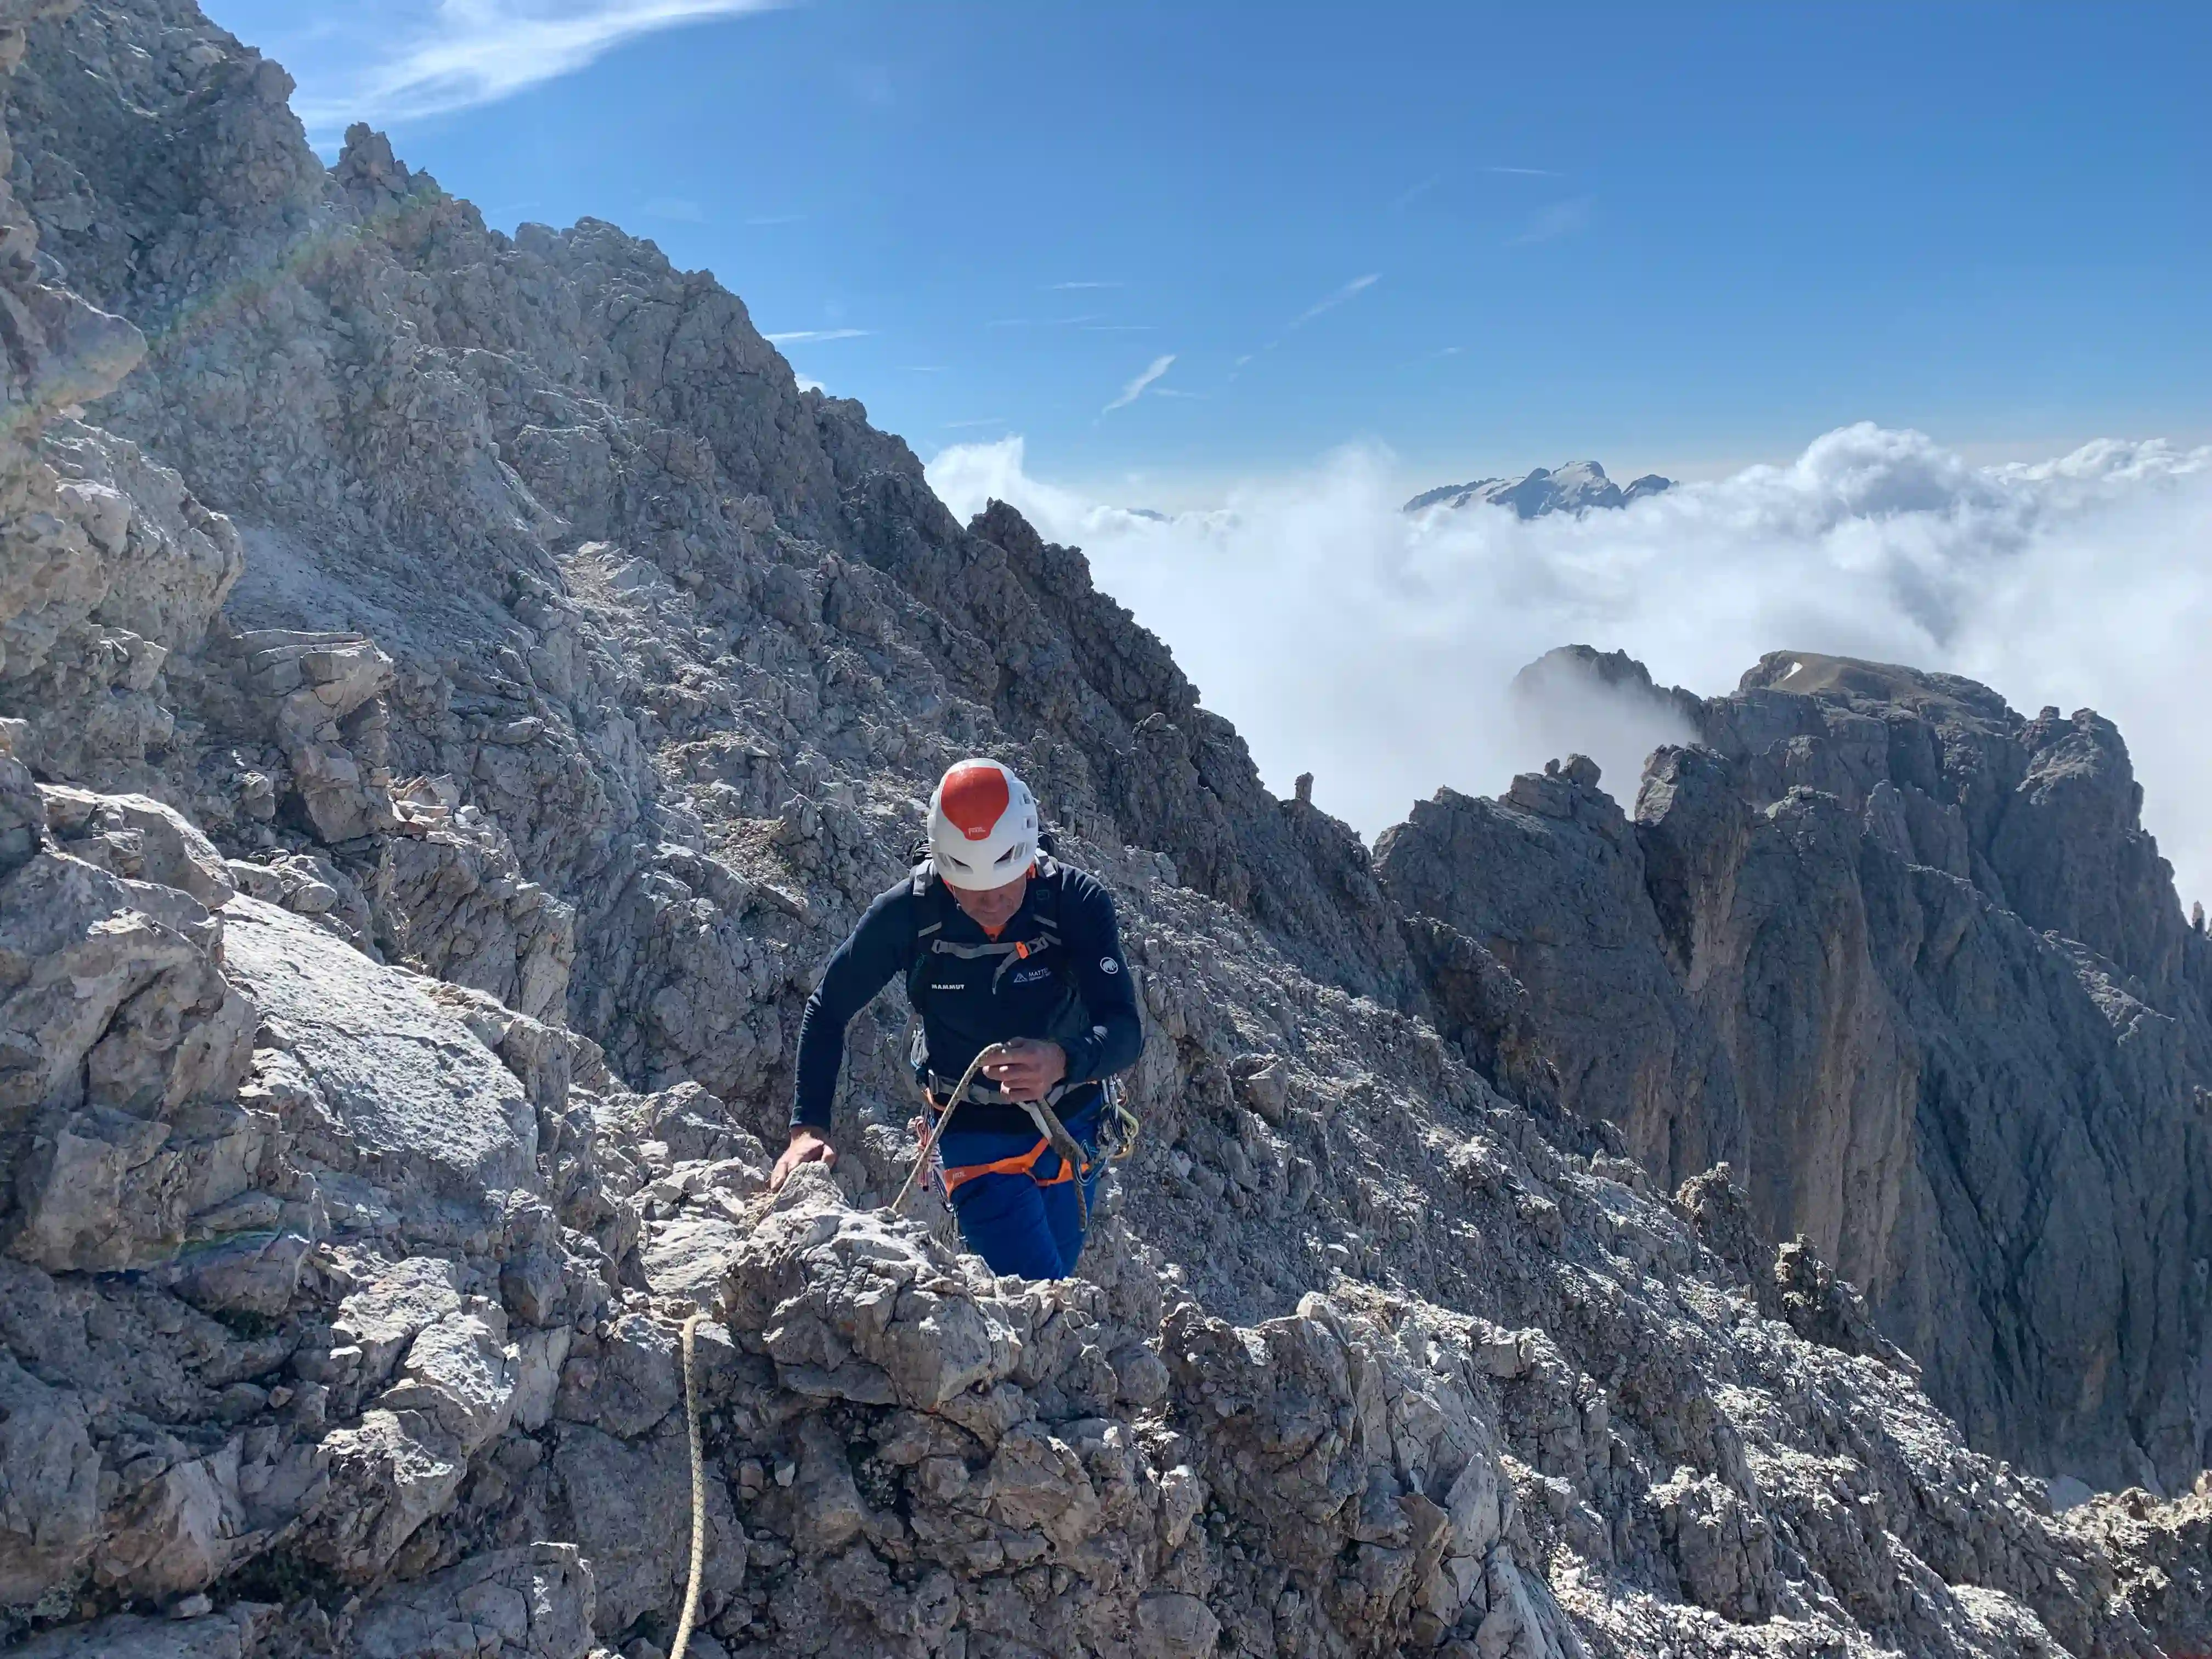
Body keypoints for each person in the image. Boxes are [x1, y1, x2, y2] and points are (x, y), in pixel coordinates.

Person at [771, 758, 1143, 1278]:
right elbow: (829, 1008)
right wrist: (807, 1128)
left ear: (1029, 857)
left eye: (1006, 882)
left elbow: (1125, 1028)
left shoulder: (1074, 902)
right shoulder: (908, 914)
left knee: (1057, 1281)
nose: (991, 903)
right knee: (1042, 1291)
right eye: (970, 888)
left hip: (1072, 1122)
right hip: (972, 1131)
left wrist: (1062, 1060)